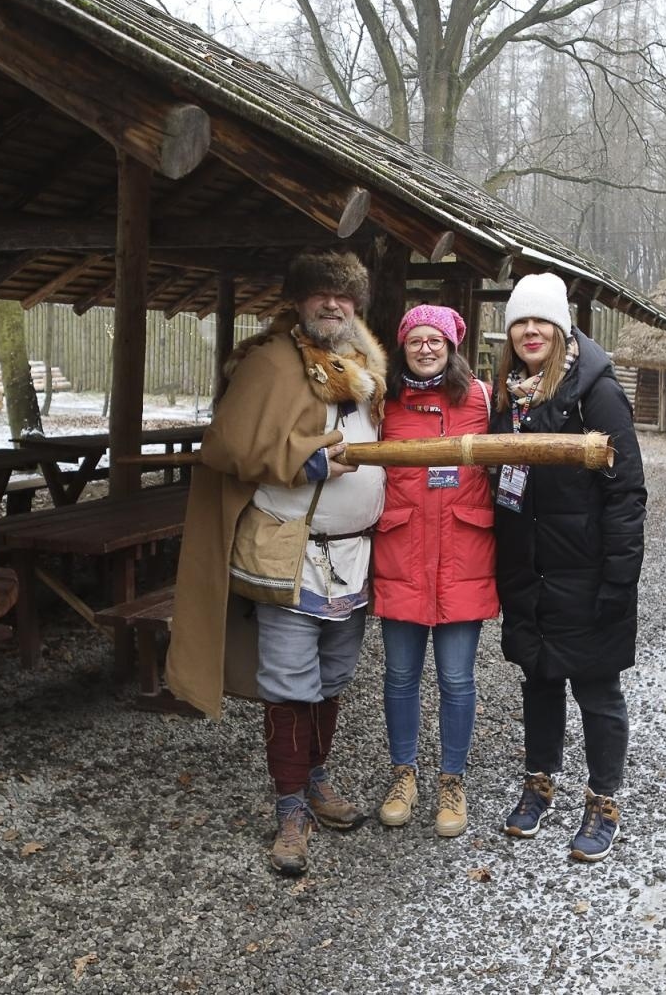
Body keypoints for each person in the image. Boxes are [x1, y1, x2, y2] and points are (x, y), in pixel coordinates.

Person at [168, 249, 387, 877]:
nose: (331, 305)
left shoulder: (363, 367)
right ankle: (290, 809)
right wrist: (308, 455)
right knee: (292, 683)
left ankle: (316, 782)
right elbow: (229, 446)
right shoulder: (269, 363)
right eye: (319, 295)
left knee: (334, 678)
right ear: (297, 301)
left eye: (343, 297)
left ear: (355, 306)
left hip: (352, 556)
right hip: (286, 551)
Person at [489, 272, 646, 862]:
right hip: (530, 567)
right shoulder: (510, 394)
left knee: (598, 688)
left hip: (586, 568)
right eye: (520, 323)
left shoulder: (596, 391)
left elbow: (626, 490)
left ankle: (604, 799)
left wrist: (618, 579)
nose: (530, 331)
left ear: (562, 326)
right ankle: (539, 783)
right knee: (540, 677)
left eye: (541, 321)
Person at [371, 305, 499, 838]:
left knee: (456, 678)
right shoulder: (385, 404)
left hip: (463, 555)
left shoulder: (482, 399)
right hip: (402, 552)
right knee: (400, 676)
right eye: (416, 339)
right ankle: (404, 773)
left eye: (436, 340)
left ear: (453, 345)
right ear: (403, 346)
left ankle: (452, 779)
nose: (426, 348)